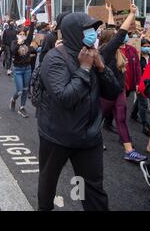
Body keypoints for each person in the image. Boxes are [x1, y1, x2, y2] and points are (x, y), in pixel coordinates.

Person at [37, 12, 122, 211]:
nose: (94, 33)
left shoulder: (93, 54)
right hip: (57, 136)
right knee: (48, 181)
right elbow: (65, 97)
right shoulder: (54, 58)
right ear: (74, 32)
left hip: (89, 138)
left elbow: (114, 92)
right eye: (88, 29)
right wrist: (84, 69)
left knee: (92, 189)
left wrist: (101, 68)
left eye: (94, 29)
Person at [99, 3, 147, 163]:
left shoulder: (116, 50)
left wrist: (110, 12)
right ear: (110, 40)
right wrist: (132, 14)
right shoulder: (105, 50)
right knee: (94, 120)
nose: (121, 38)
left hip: (118, 91)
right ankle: (87, 142)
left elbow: (112, 28)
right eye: (116, 37)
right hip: (105, 94)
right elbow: (119, 33)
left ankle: (129, 150)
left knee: (121, 119)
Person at [9, 16, 36, 118]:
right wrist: (18, 44)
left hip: (27, 68)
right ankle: (13, 99)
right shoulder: (14, 43)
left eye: (23, 34)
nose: (22, 36)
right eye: (20, 34)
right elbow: (13, 52)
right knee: (19, 90)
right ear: (17, 35)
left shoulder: (27, 42)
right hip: (18, 69)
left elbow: (31, 33)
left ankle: (22, 107)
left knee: (25, 89)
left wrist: (32, 23)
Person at [131, 39, 150, 136]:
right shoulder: (138, 59)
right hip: (141, 83)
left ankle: (133, 114)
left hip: (149, 83)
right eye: (145, 46)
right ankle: (145, 125)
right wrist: (136, 84)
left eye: (149, 46)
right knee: (143, 103)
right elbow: (135, 73)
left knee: (140, 101)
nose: (147, 48)